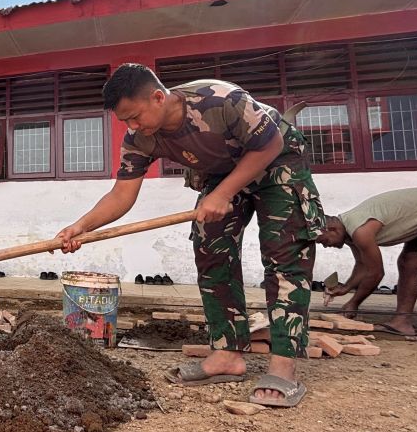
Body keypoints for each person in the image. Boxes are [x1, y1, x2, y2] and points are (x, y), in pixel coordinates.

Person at [55, 65, 324, 408]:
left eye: (135, 117)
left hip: (276, 160)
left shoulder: (222, 99)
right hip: (220, 172)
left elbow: (271, 143)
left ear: (157, 97)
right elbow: (122, 195)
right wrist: (82, 226)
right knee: (210, 248)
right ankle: (227, 354)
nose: (132, 127)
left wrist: (224, 193)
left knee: (285, 256)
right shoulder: (139, 138)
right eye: (126, 121)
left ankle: (283, 366)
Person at [316, 188, 417, 344]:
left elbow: (376, 273)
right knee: (407, 262)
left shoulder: (360, 230)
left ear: (332, 229)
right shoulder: (350, 232)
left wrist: (354, 303)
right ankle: (401, 322)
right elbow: (362, 266)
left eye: (323, 241)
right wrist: (346, 288)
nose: (325, 246)